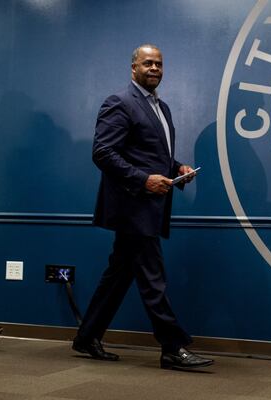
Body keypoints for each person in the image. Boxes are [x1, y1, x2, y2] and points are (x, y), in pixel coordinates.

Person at [72, 44, 213, 371]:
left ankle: (86, 336)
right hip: (132, 206)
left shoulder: (160, 107)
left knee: (119, 275)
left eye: (159, 64)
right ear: (133, 67)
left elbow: (150, 155)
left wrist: (176, 168)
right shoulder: (119, 103)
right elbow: (103, 153)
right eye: (147, 63)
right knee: (153, 278)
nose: (154, 68)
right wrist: (143, 180)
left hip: (149, 205)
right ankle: (172, 347)